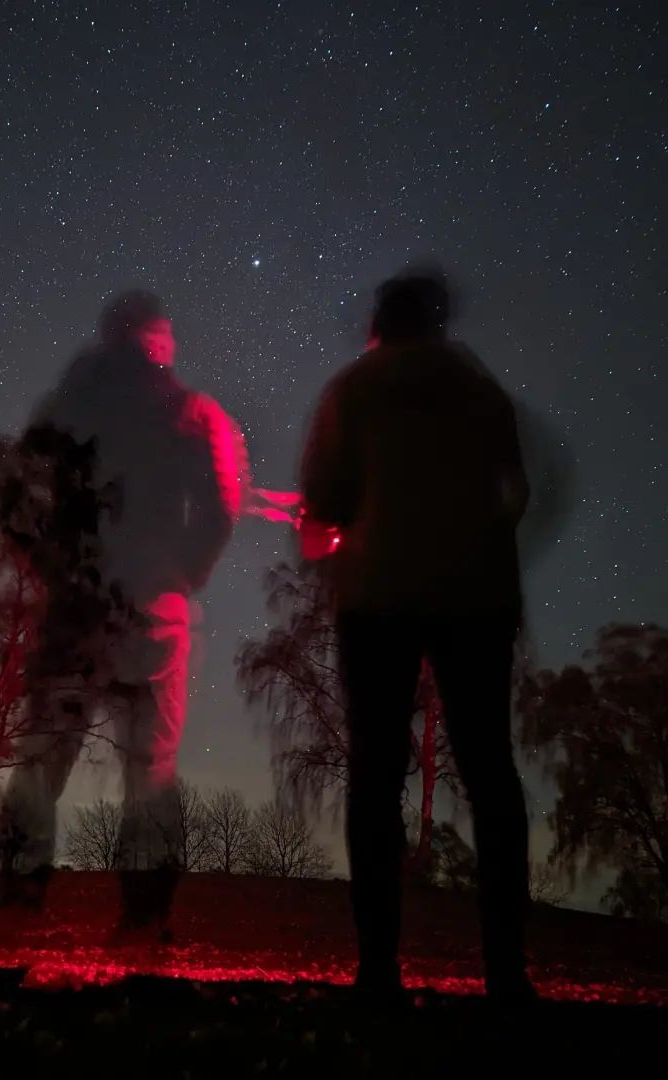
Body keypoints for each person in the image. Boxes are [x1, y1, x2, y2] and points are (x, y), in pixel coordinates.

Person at [298, 270, 536, 1003]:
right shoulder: (477, 387)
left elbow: (326, 497)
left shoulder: (354, 388)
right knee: (491, 772)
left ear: (379, 321)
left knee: (374, 776)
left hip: (377, 598)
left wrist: (334, 531)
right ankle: (505, 971)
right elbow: (518, 487)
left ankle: (378, 970)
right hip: (477, 595)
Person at [0, 290, 253, 933]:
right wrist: (185, 571)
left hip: (77, 600)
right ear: (158, 339)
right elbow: (224, 505)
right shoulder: (194, 413)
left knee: (45, 750)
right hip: (153, 606)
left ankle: (19, 893)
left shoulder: (64, 410)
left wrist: (53, 565)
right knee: (151, 763)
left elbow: (14, 495)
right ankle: (144, 910)